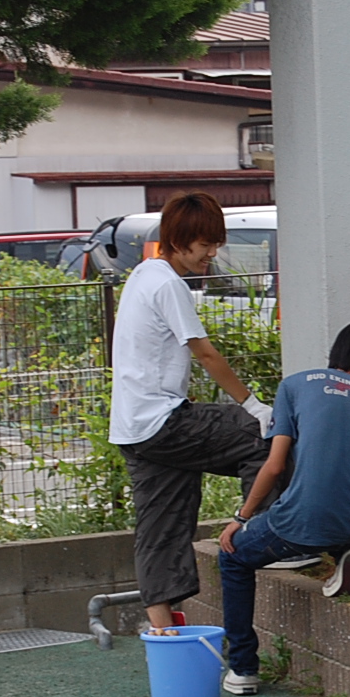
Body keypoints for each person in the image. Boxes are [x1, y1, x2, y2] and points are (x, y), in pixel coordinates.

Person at [109, 191, 290, 632]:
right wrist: (253, 405)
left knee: (161, 528)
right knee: (265, 436)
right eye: (206, 244)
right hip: (164, 421)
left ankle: (163, 630)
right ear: (180, 239)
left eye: (215, 243)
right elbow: (206, 354)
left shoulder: (142, 275)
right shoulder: (170, 284)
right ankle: (269, 539)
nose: (213, 253)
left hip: (133, 429)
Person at [215, 321, 350, 695]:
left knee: (233, 557)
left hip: (299, 519)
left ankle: (242, 668)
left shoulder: (296, 384)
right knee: (346, 521)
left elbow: (273, 466)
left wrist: (240, 519)